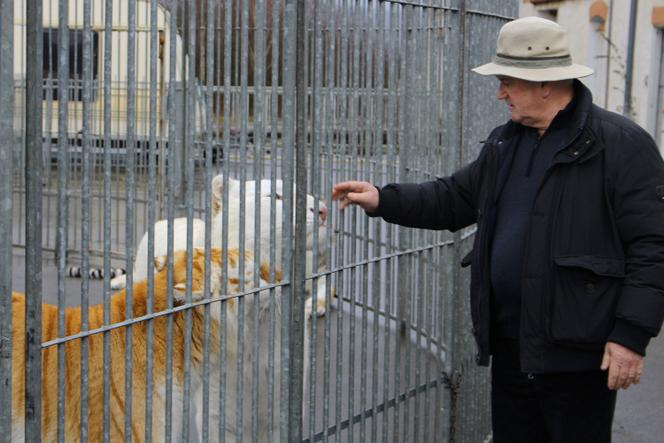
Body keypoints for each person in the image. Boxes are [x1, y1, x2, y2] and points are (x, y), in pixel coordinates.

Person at [332, 16, 664, 443]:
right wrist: (382, 198)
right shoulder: (505, 143)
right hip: (512, 349)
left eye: (508, 81)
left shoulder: (619, 145)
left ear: (544, 83)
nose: (500, 92)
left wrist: (630, 337)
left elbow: (653, 247)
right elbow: (452, 198)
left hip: (579, 360)